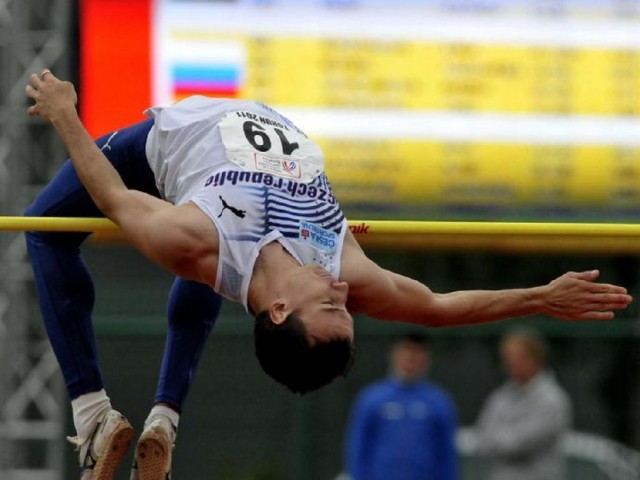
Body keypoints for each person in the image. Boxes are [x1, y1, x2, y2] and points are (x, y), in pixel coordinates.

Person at [23, 69, 631, 480]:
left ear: (282, 312)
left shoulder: (194, 241)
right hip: (238, 170)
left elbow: (113, 196)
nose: (344, 294)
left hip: (152, 149)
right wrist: (541, 296)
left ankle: (94, 414)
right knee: (214, 274)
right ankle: (165, 418)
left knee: (44, 229)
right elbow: (442, 308)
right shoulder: (344, 267)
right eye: (347, 309)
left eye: (333, 308)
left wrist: (65, 114)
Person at [345, 333, 457, 480]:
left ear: (426, 358)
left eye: (417, 353)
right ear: (394, 355)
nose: (411, 359)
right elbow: (358, 447)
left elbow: (447, 453)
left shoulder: (438, 401)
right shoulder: (372, 398)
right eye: (406, 352)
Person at [473, 329, 572, 480]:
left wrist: (497, 440)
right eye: (505, 357)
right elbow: (482, 441)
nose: (507, 363)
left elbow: (519, 444)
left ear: (534, 357)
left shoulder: (553, 400)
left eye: (513, 357)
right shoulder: (499, 396)